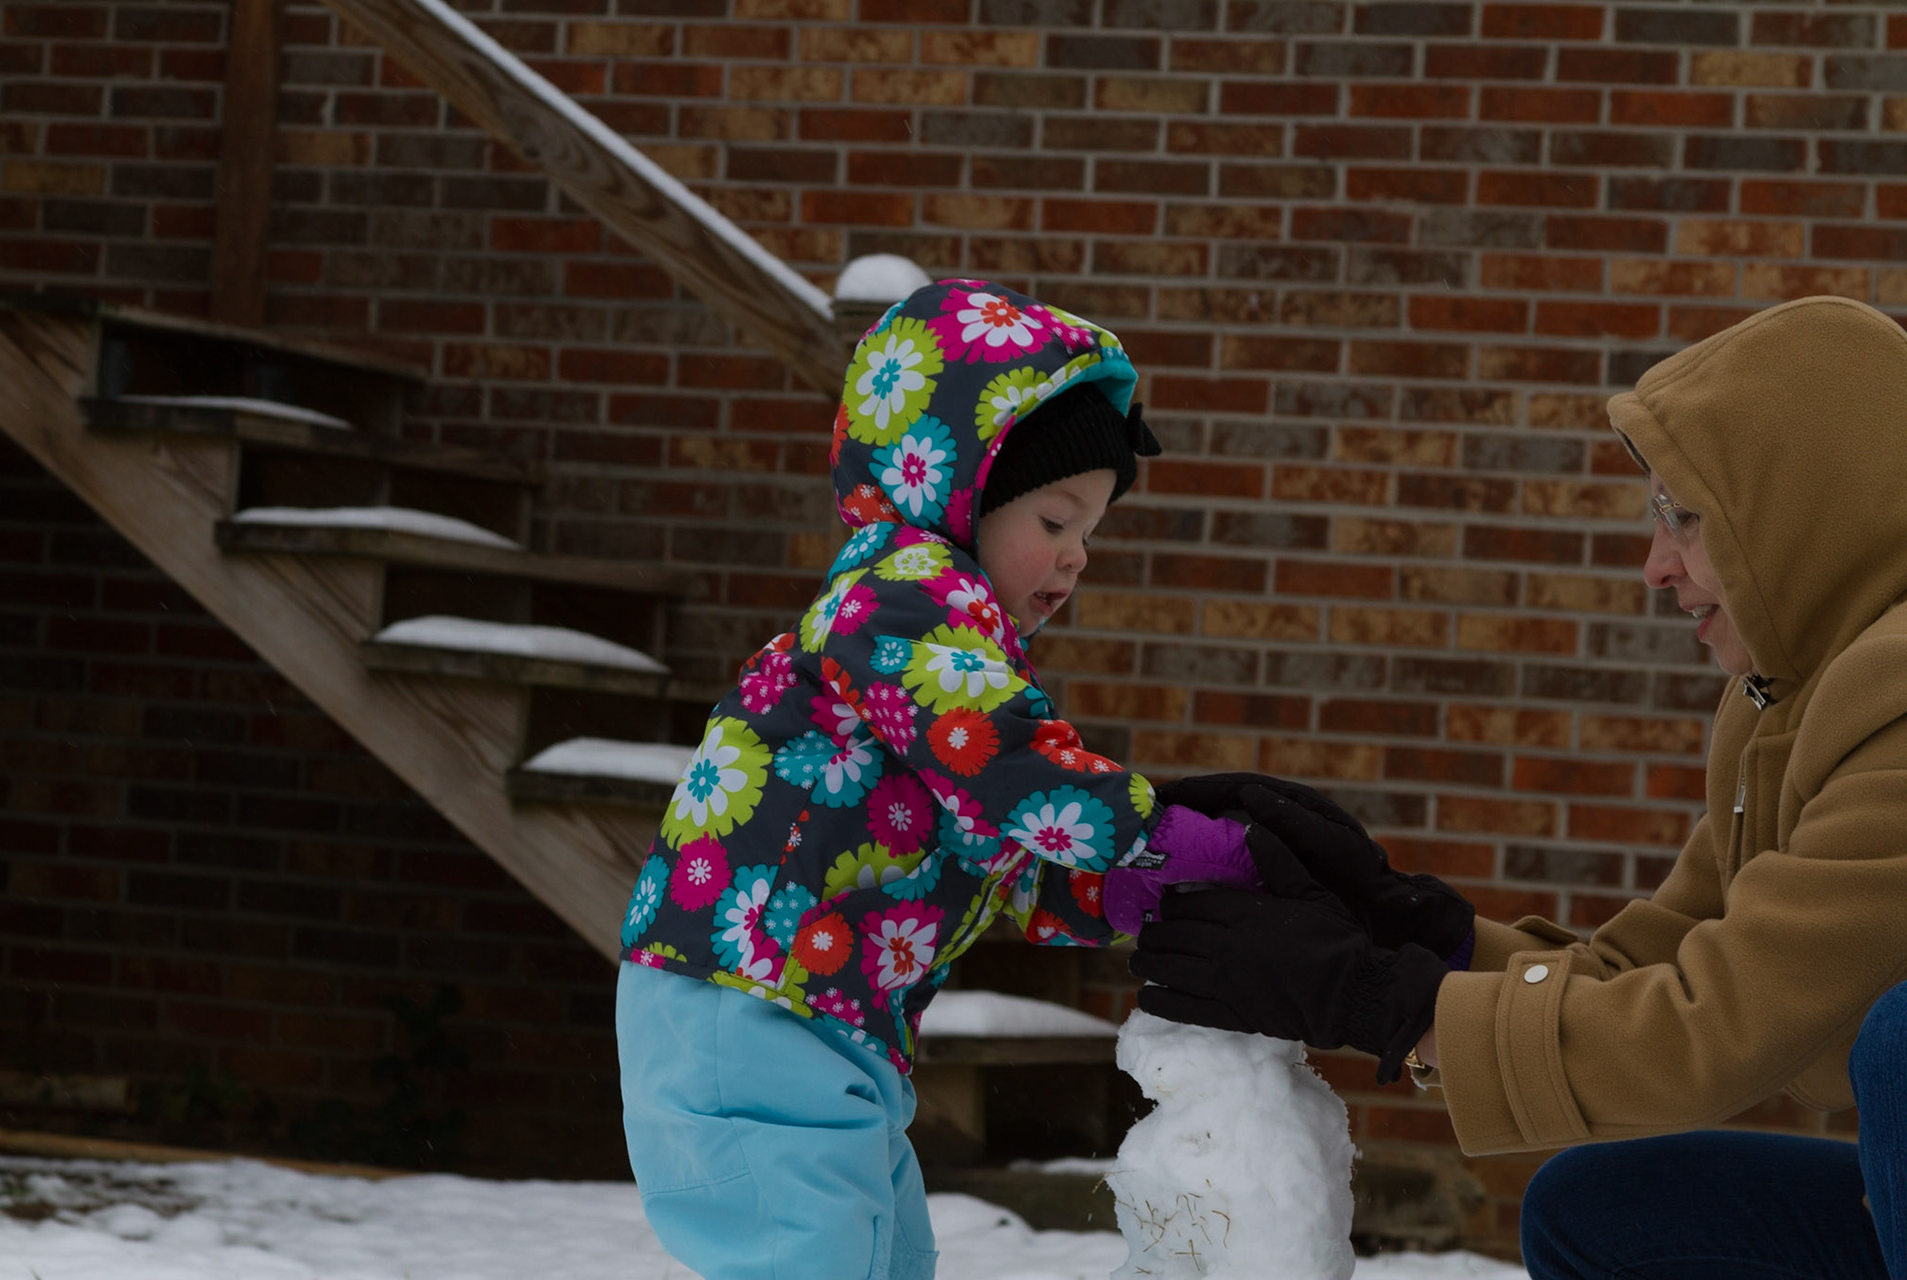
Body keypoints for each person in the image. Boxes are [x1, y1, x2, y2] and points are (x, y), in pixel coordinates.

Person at [1130, 295, 1907, 1278]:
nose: (1656, 565)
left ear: (1806, 515)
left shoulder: (1895, 705)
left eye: (1690, 517)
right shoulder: (1784, 703)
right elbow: (1655, 966)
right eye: (1655, 511)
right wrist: (1401, 924)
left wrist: (1388, 1004)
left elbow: (1717, 1023)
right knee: (1605, 1208)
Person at [614, 279, 1257, 1280]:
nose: (1076, 555)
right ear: (960, 486)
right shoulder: (897, 600)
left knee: (882, 1258)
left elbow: (987, 831)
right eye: (1054, 518)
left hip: (825, 1021)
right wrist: (1145, 830)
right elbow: (1006, 768)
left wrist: (1103, 886)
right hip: (747, 1006)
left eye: (1091, 529)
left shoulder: (953, 642)